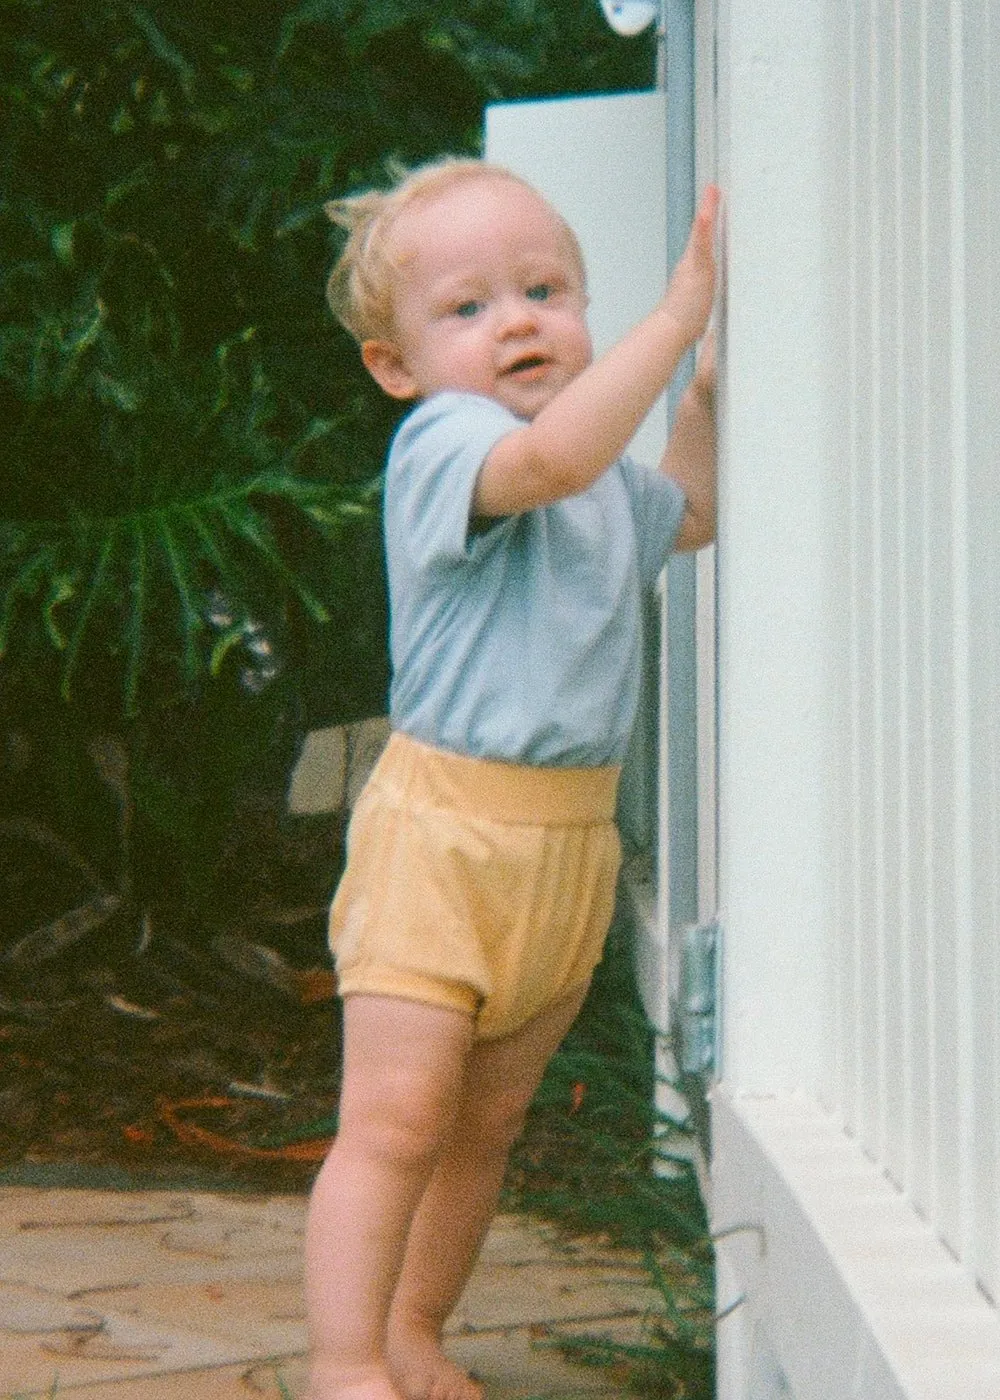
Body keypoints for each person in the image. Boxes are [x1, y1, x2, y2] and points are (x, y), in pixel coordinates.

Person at [305, 156, 719, 1400]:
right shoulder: (450, 443)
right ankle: (341, 1363)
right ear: (397, 364)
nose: (519, 322)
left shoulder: (596, 482)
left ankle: (412, 1331)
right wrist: (674, 316)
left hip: (566, 847)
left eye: (544, 288)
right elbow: (548, 470)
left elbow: (687, 510)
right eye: (468, 308)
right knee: (396, 1120)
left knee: (483, 1125)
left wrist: (708, 383)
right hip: (440, 840)